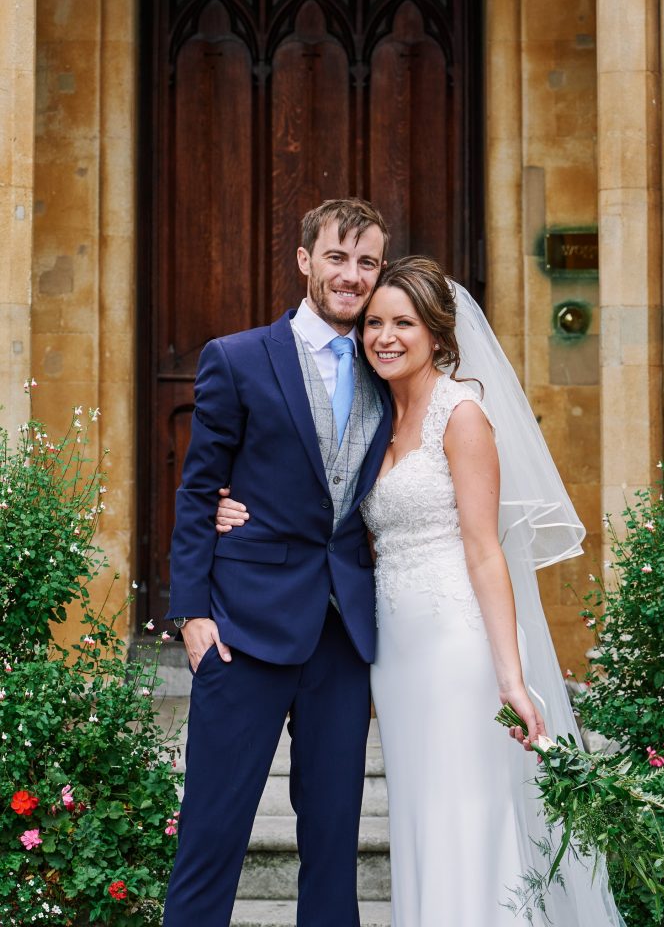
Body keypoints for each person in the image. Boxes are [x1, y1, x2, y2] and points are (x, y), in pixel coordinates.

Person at [218, 255, 624, 926]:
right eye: (373, 322)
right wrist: (223, 507)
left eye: (402, 322)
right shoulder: (374, 413)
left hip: (458, 643)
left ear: (436, 332)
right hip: (394, 651)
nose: (384, 336)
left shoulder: (460, 414)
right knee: (421, 816)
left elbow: (483, 548)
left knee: (466, 814)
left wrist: (511, 677)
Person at [163, 198, 393, 927]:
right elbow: (201, 489)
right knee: (212, 834)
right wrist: (192, 615)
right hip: (243, 630)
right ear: (304, 261)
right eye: (337, 257)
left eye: (366, 263)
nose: (351, 277)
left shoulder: (391, 364)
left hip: (340, 636)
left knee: (332, 844)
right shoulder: (235, 358)